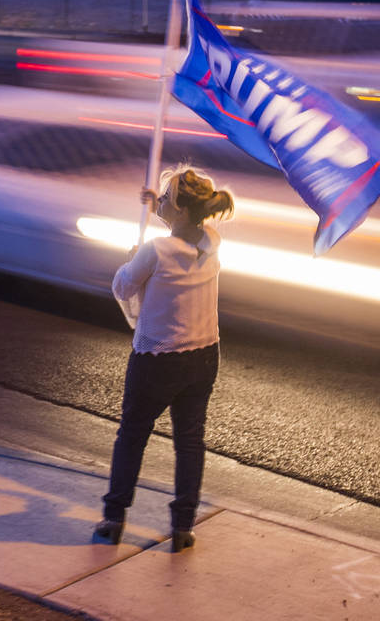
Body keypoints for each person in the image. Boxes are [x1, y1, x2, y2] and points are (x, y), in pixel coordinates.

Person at [94, 166, 234, 551]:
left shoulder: (155, 250)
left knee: (132, 436)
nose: (162, 200)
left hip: (158, 358)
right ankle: (183, 526)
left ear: (184, 211)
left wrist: (131, 258)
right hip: (204, 353)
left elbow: (123, 286)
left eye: (167, 197)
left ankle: (114, 517)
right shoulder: (212, 239)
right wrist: (158, 207)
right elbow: (182, 224)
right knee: (189, 441)